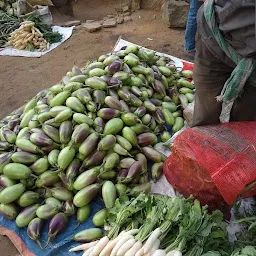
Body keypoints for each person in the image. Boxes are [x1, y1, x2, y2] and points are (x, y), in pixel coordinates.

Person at [192, 0, 256, 127]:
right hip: (213, 37)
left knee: (245, 123)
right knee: (205, 115)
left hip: (252, 57)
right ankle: (202, 143)